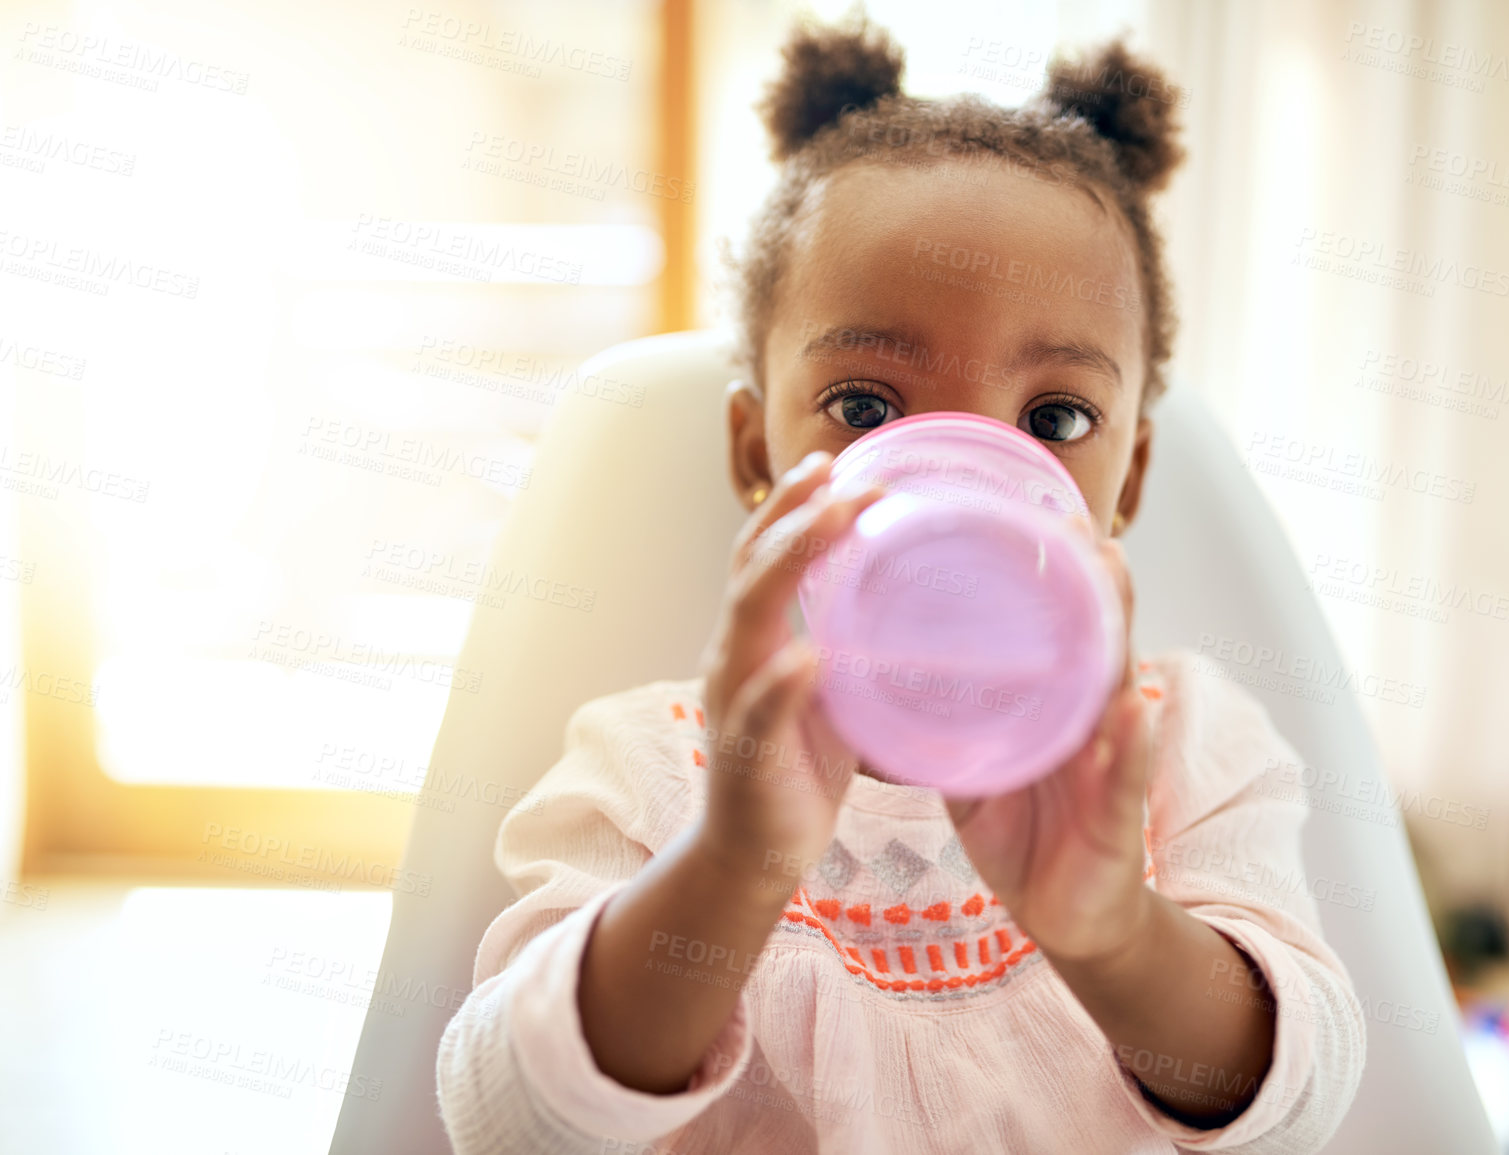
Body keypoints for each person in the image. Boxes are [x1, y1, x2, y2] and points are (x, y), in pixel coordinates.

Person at [436, 15, 1365, 1153]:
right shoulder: (656, 769)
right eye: (869, 409)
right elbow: (505, 1121)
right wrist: (732, 864)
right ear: (752, 451)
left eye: (1056, 419)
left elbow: (1305, 1112)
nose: (959, 487)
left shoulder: (1177, 753)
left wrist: (1117, 932)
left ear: (1126, 481)